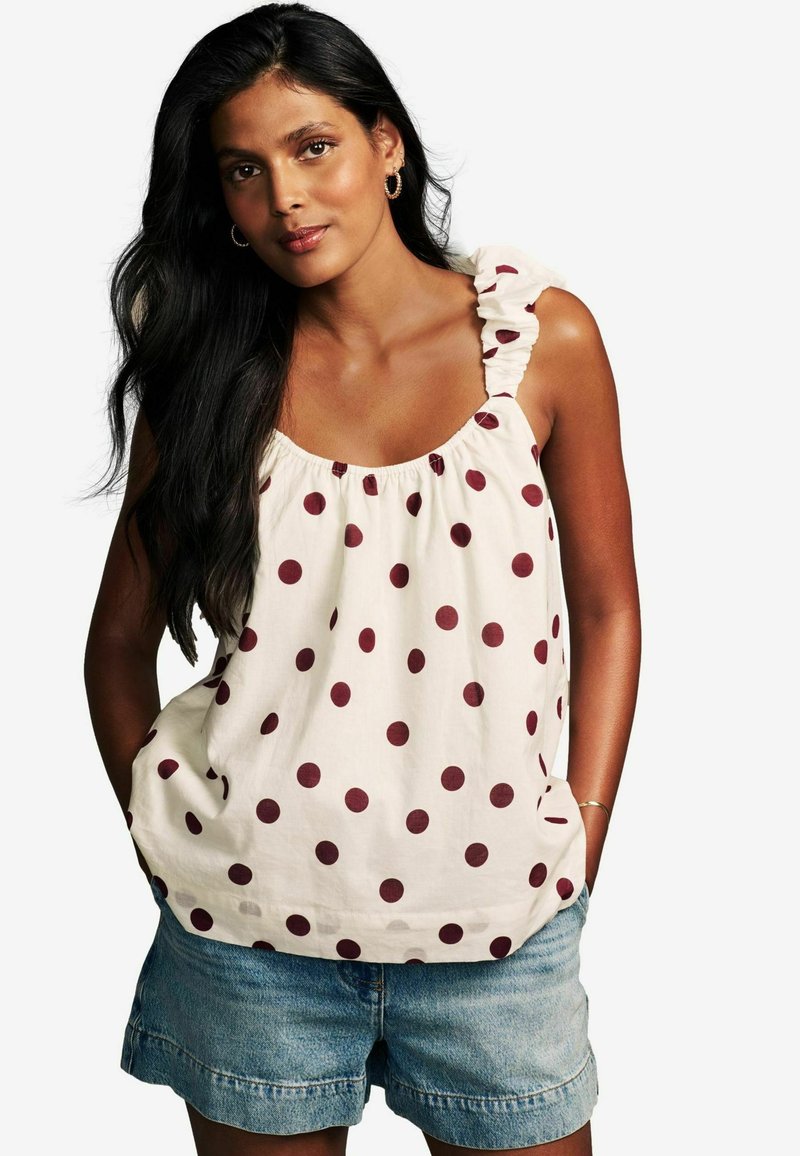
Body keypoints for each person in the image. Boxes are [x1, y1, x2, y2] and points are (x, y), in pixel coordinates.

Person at [83, 4, 641, 1154]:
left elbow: (607, 605)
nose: (285, 197)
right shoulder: (209, 373)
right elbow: (116, 642)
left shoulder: (535, 342)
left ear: (385, 145)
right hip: (247, 936)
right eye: (244, 169)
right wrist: (167, 841)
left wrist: (580, 835)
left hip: (497, 929)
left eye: (313, 147)